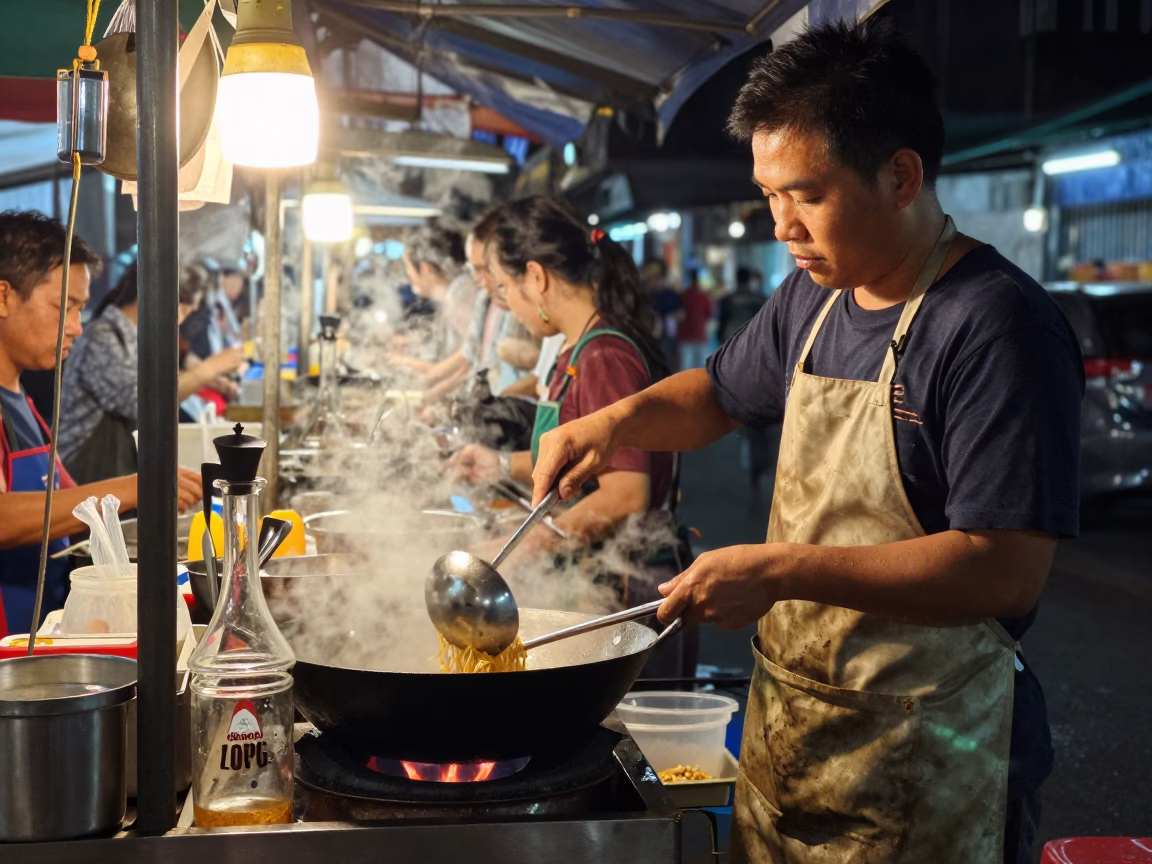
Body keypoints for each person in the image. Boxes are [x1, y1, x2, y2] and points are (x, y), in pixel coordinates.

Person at [531, 21, 1082, 864]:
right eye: (769, 195)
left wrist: (780, 570)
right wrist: (612, 423)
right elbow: (717, 394)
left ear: (901, 176)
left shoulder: (993, 325)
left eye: (807, 194)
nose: (782, 224)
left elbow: (1003, 569)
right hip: (793, 740)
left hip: (933, 761)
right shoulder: (813, 298)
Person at [451, 197, 694, 673]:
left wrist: (524, 548)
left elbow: (626, 493)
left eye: (506, 286)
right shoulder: (575, 349)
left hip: (630, 591)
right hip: (597, 576)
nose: (506, 304)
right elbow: (578, 463)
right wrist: (500, 466)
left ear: (537, 277)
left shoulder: (604, 355)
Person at [0, 211, 202, 637]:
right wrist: (134, 487)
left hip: (39, 638)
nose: (75, 327)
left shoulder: (26, 405)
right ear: (3, 297)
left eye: (80, 309)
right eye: (63, 307)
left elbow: (71, 504)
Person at [58, 261, 245, 484]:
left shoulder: (139, 336)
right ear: (157, 298)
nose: (182, 320)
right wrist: (208, 369)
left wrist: (211, 378)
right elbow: (143, 404)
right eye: (183, 309)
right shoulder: (104, 337)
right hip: (83, 469)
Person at [642, 259, 682, 372]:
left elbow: (681, 314)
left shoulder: (671, 295)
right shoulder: (646, 294)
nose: (653, 280)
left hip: (667, 337)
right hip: (649, 336)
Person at [718, 266, 767, 343]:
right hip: (750, 338)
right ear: (748, 279)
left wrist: (721, 336)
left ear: (737, 279)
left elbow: (723, 320)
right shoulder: (757, 299)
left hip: (731, 337)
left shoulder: (728, 299)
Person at [678, 269, 713, 369]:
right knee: (701, 369)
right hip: (700, 335)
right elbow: (708, 315)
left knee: (685, 369)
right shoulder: (704, 296)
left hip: (685, 335)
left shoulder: (683, 296)